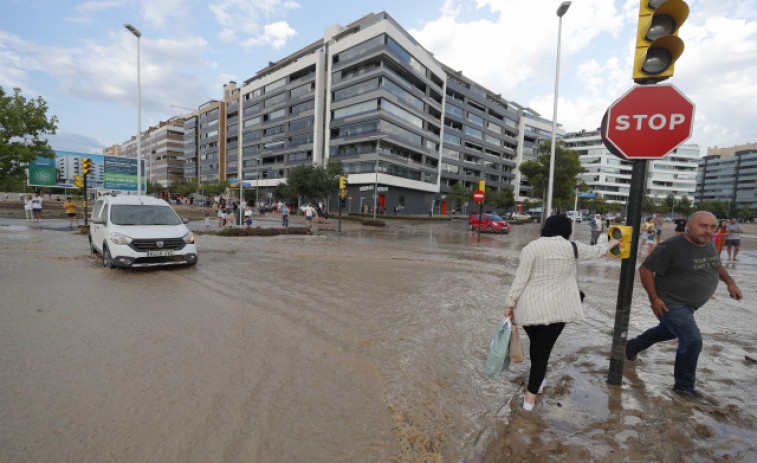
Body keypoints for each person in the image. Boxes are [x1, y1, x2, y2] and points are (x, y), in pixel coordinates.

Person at [504, 215, 623, 411]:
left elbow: (520, 280)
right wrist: (614, 242)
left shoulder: (531, 248)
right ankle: (529, 403)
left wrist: (509, 305)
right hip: (556, 311)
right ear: (566, 231)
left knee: (537, 348)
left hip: (528, 309)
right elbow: (596, 251)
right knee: (542, 354)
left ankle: (537, 382)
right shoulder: (572, 247)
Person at [626, 211, 742, 402]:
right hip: (671, 302)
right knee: (692, 340)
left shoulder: (709, 242)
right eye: (703, 226)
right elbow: (645, 269)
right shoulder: (671, 247)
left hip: (690, 306)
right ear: (688, 226)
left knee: (669, 331)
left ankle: (631, 346)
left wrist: (730, 283)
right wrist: (654, 299)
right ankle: (683, 387)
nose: (708, 231)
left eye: (712, 227)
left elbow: (716, 264)